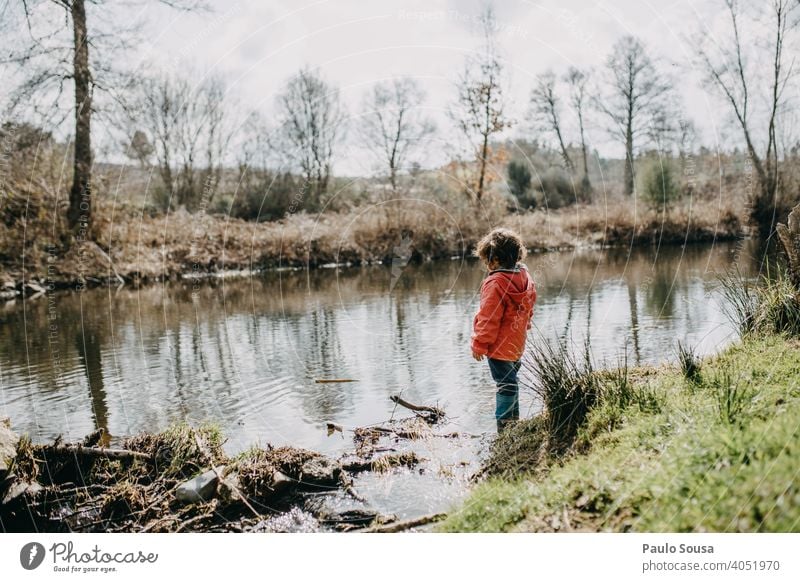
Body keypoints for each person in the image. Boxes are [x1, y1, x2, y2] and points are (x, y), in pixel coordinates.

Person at [471, 228, 537, 432]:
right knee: (511, 380)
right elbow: (529, 303)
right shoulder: (524, 276)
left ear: (496, 259)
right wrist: (525, 325)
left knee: (505, 384)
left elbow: (488, 317)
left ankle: (505, 425)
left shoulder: (495, 283)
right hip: (517, 342)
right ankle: (513, 421)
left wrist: (479, 344)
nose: (486, 265)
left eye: (487, 260)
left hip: (499, 346)